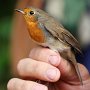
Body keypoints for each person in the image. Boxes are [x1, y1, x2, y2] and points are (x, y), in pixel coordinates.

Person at [7, 0, 90, 90]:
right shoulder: (31, 27)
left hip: (67, 49)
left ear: (38, 17)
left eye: (31, 13)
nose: (25, 14)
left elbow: (64, 35)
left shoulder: (47, 24)